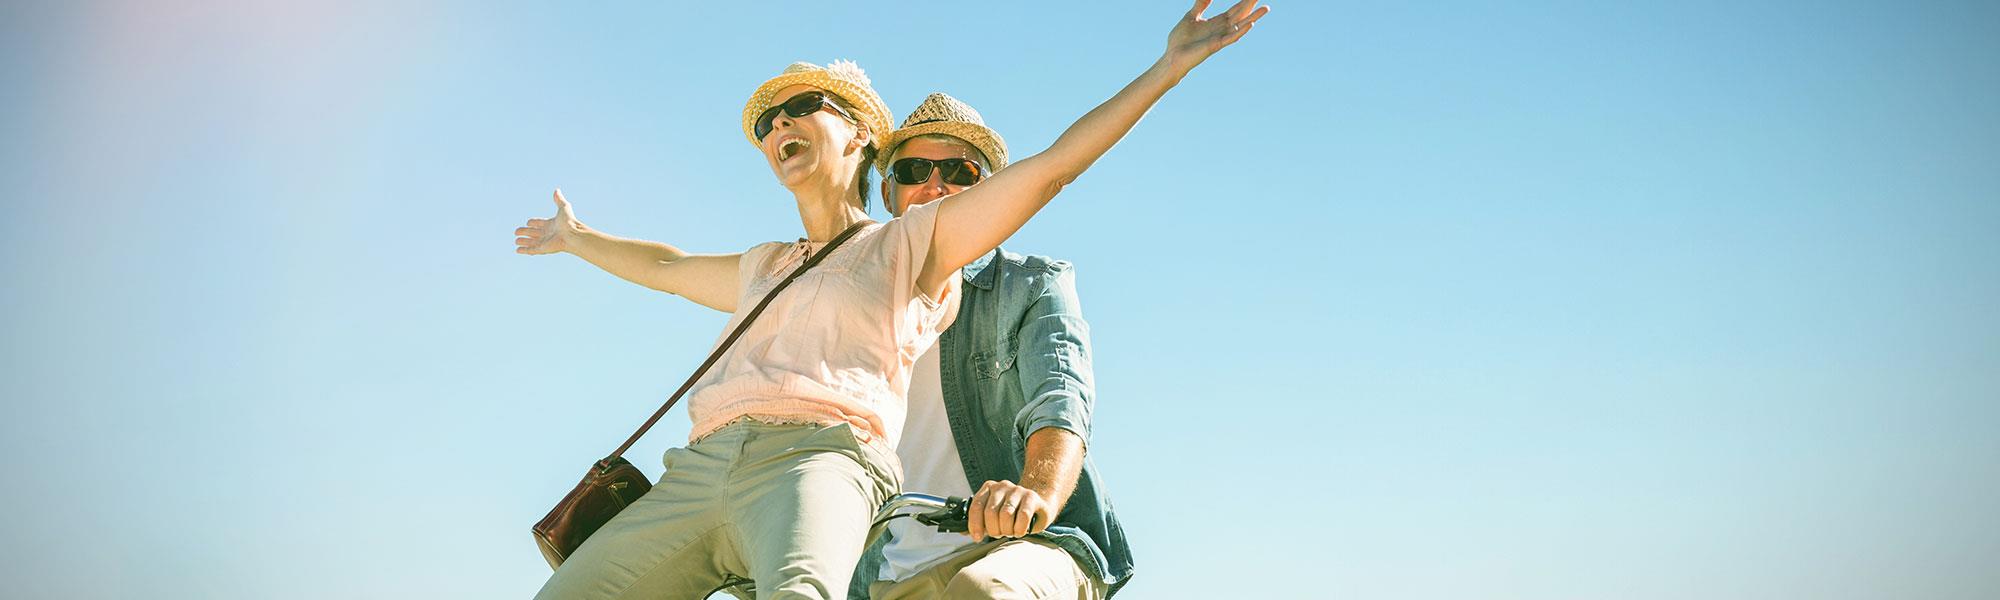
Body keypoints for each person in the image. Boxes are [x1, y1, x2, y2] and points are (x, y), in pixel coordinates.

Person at [514, 2, 1268, 597]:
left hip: (863, 481)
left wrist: (1165, 69)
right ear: (889, 172)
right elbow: (670, 264)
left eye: (803, 104)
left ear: (858, 134)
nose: (779, 122)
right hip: (724, 476)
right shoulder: (767, 265)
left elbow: (1049, 175)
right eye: (768, 120)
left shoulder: (918, 251)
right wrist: (579, 237)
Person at [845, 92, 1131, 599]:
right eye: (914, 170)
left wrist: (1035, 494)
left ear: (990, 191)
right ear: (889, 194)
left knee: (983, 590)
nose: (935, 186)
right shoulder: (851, 305)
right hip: (888, 571)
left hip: (1024, 546)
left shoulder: (1031, 284)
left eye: (959, 170)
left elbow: (1060, 402)